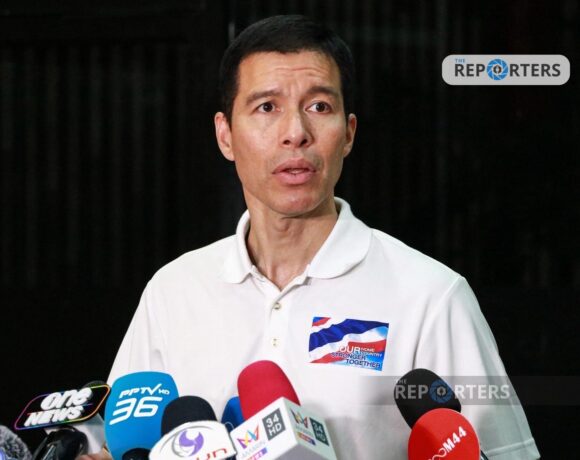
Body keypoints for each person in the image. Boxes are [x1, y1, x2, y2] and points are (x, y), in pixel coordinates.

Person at [108, 15, 540, 459]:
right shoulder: (173, 291)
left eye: (318, 107)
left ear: (348, 134)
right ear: (226, 136)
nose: (296, 133)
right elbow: (120, 444)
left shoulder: (431, 295)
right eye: (267, 107)